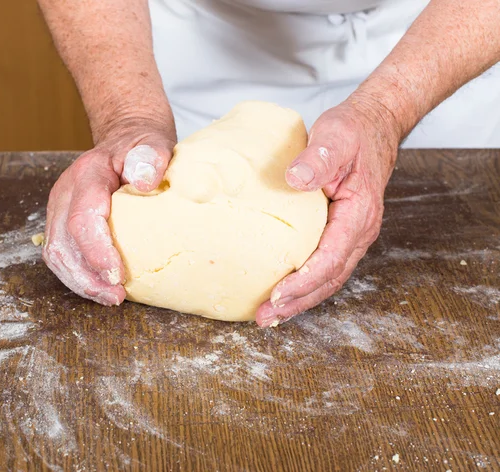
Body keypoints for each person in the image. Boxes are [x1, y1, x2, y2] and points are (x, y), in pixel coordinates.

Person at [37, 0, 500, 327]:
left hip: (435, 38)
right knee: (153, 178)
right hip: (200, 44)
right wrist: (128, 119)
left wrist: (386, 112)